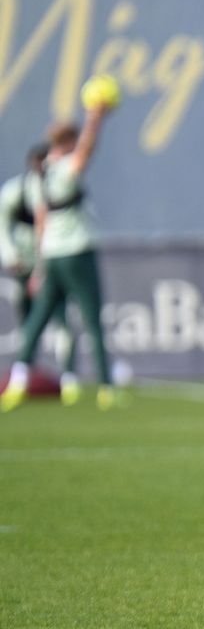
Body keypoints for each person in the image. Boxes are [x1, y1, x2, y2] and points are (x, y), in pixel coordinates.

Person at [2, 101, 123, 412]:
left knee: (38, 320)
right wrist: (95, 120)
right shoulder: (66, 168)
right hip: (77, 251)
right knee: (91, 319)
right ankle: (106, 386)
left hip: (51, 256)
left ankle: (17, 380)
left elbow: (41, 222)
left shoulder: (38, 176)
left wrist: (39, 269)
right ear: (67, 141)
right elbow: (84, 154)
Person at [0, 145, 80, 401]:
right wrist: (10, 255)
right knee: (29, 323)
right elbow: (3, 224)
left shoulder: (62, 186)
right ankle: (24, 376)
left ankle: (69, 378)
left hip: (53, 263)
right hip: (26, 265)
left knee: (61, 321)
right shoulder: (16, 191)